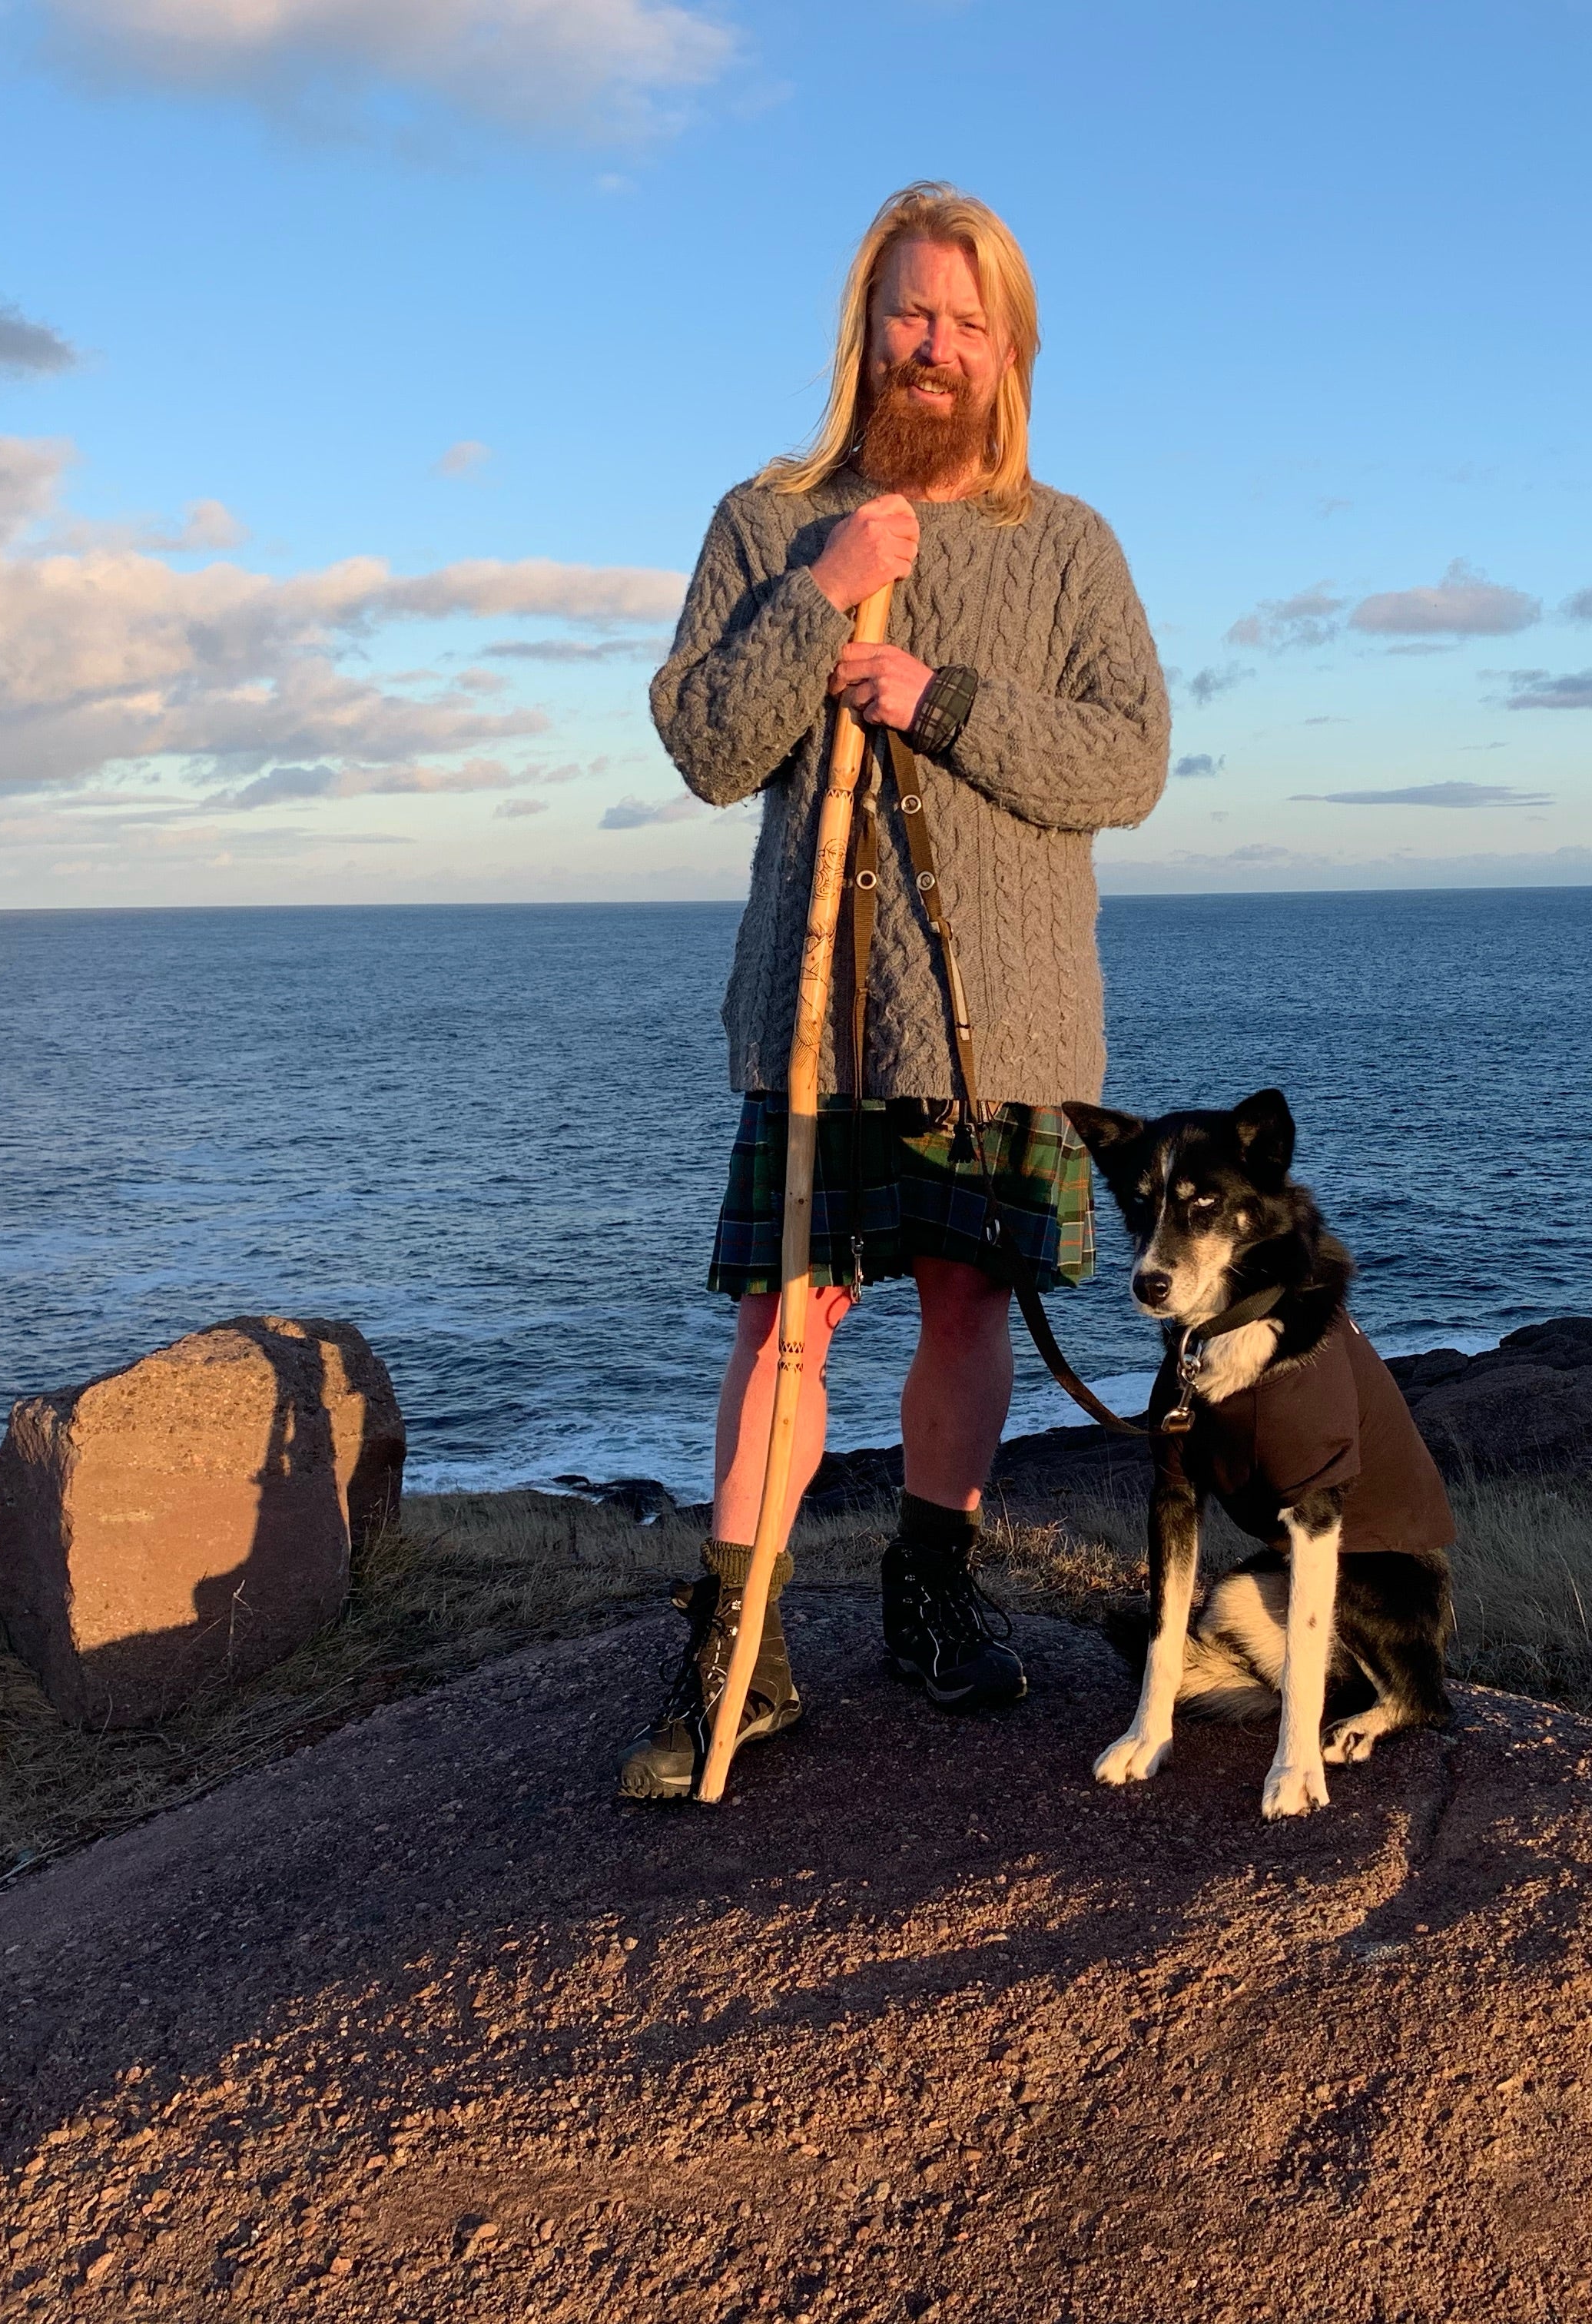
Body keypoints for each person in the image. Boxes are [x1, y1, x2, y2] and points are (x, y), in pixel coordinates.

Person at [620, 181, 1170, 1798]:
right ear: (866, 327)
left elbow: (1128, 766)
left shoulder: (1071, 546)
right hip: (817, 1008)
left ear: (1012, 352)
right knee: (790, 1313)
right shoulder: (763, 517)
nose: (936, 346)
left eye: (968, 322)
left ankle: (931, 1592)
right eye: (910, 313)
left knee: (968, 1301)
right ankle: (736, 1647)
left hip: (1005, 1016)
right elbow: (708, 747)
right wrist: (823, 584)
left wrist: (942, 699)